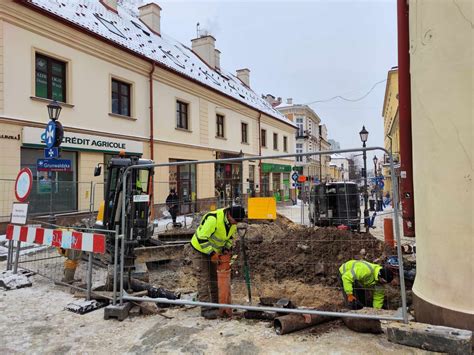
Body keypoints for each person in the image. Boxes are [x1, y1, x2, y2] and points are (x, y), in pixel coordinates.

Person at [190, 205, 246, 319]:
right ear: (229, 215)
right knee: (203, 279)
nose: (236, 223)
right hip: (200, 250)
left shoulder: (232, 224)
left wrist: (226, 249)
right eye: (235, 220)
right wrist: (212, 254)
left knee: (214, 277)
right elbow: (201, 238)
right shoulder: (213, 219)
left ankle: (216, 304)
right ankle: (205, 309)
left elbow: (229, 238)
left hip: (214, 251)